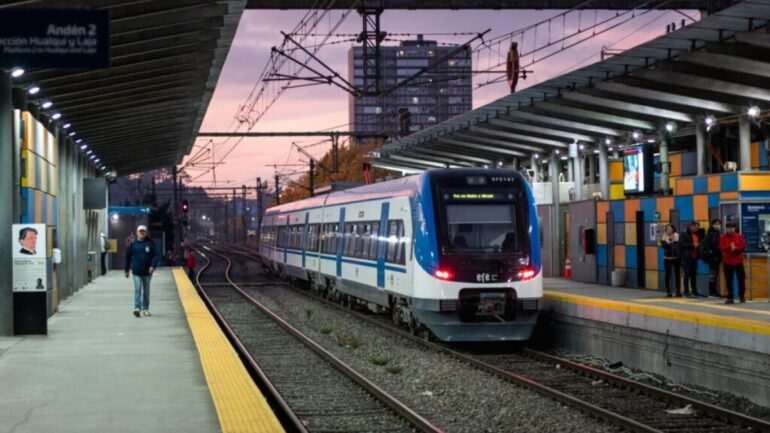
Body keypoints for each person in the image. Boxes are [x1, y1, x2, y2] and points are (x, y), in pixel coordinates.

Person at [124, 225, 159, 317]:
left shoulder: (150, 243)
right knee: (138, 289)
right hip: (136, 271)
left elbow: (156, 255)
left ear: (146, 233)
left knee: (146, 291)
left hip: (147, 272)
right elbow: (128, 257)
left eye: (143, 231)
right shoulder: (133, 244)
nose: (142, 233)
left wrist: (152, 266)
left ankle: (146, 308)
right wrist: (126, 270)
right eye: (140, 231)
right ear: (137, 233)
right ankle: (137, 308)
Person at [720, 222, 746, 304]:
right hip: (728, 262)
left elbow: (743, 246)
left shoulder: (739, 236)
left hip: (738, 261)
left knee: (741, 279)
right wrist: (729, 247)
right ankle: (730, 297)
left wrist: (735, 248)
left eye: (732, 227)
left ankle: (741, 296)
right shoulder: (722, 237)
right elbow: (722, 247)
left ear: (734, 229)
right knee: (729, 280)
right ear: (726, 229)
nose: (731, 229)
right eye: (729, 228)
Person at [699, 219, 722, 298]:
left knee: (714, 275)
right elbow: (715, 246)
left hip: (713, 257)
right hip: (713, 258)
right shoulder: (713, 234)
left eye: (719, 224)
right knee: (713, 275)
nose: (717, 225)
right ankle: (712, 292)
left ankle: (713, 291)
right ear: (712, 225)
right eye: (716, 224)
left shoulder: (713, 233)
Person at [679, 221, 702, 297]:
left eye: (698, 227)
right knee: (687, 275)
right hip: (687, 257)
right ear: (691, 226)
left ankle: (694, 291)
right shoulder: (684, 234)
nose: (696, 228)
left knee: (693, 275)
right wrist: (692, 245)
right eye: (695, 227)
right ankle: (686, 291)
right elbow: (681, 245)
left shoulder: (697, 234)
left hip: (694, 257)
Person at [660, 224, 681, 297]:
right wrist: (669, 241)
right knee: (667, 275)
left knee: (677, 275)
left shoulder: (677, 236)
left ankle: (678, 291)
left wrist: (673, 240)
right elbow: (664, 246)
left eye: (669, 228)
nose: (668, 230)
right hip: (667, 258)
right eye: (666, 229)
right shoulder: (663, 236)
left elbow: (679, 246)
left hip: (676, 258)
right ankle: (668, 291)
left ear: (673, 229)